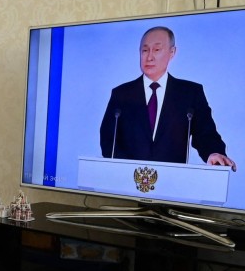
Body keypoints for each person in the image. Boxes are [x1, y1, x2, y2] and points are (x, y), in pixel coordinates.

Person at [100, 26, 236, 170]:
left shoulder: (190, 93)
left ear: (172, 52)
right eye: (145, 50)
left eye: (157, 50)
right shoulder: (121, 94)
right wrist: (134, 174)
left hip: (173, 183)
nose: (149, 56)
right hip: (127, 183)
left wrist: (213, 153)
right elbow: (109, 140)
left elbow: (205, 134)